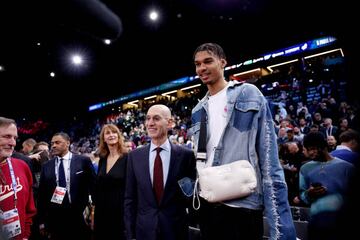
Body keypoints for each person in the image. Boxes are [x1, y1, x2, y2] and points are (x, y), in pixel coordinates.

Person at [190, 43, 296, 240]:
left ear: (223, 62)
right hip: (209, 205)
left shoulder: (248, 93)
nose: (201, 68)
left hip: (243, 205)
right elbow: (201, 158)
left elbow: (269, 158)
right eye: (197, 64)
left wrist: (282, 231)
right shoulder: (197, 111)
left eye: (207, 61)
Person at [124, 104, 196, 240]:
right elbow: (130, 199)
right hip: (144, 231)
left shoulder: (186, 156)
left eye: (156, 118)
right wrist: (130, 234)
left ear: (170, 123)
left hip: (176, 230)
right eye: (148, 118)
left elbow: (190, 195)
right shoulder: (134, 156)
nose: (150, 123)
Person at [37, 132, 96, 240]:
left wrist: (94, 211)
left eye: (57, 142)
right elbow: (42, 196)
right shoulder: (47, 166)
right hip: (55, 218)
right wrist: (41, 221)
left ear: (68, 143)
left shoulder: (83, 161)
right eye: (52, 143)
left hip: (79, 215)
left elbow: (94, 187)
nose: (53, 145)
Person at [299, 131, 355, 240]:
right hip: (316, 225)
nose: (310, 153)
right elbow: (303, 196)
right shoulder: (304, 168)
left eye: (313, 148)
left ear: (323, 146)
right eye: (308, 149)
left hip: (341, 225)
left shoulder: (347, 168)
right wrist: (309, 193)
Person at [0, 117, 37, 240]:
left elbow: (29, 208)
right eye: (7, 136)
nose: (13, 143)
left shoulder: (22, 166)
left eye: (15, 138)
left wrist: (25, 235)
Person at [93, 124, 128, 240]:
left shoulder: (128, 157)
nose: (111, 135)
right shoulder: (103, 158)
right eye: (107, 133)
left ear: (118, 135)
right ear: (103, 138)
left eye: (114, 132)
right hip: (102, 210)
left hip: (120, 210)